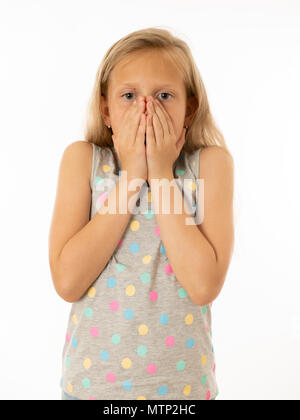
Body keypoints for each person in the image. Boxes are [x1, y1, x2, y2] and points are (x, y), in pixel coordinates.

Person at [48, 27, 234, 401]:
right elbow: (67, 282)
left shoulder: (210, 165)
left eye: (164, 96)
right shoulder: (83, 161)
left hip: (184, 392)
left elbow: (203, 286)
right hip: (91, 390)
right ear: (106, 110)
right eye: (129, 96)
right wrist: (133, 175)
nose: (146, 109)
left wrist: (161, 174)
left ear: (189, 108)